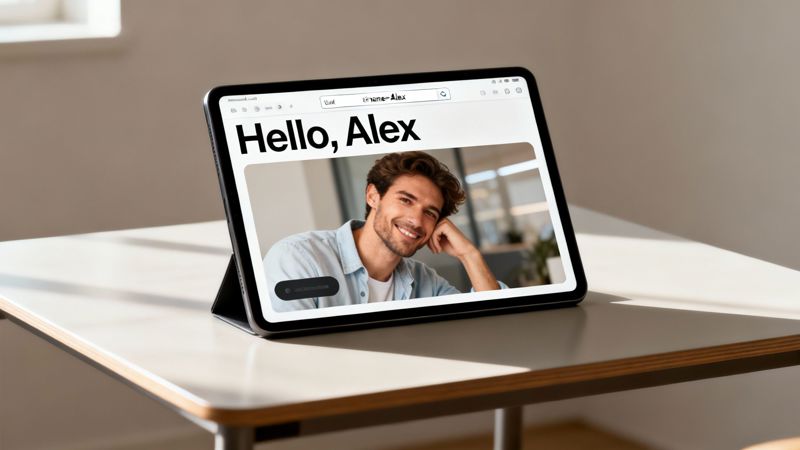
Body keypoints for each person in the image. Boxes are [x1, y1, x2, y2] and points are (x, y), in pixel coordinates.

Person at [264, 151, 503, 312]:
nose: (416, 220)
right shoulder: (299, 259)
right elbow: (292, 356)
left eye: (430, 213)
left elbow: (495, 325)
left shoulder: (425, 282)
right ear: (373, 196)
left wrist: (469, 255)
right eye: (406, 200)